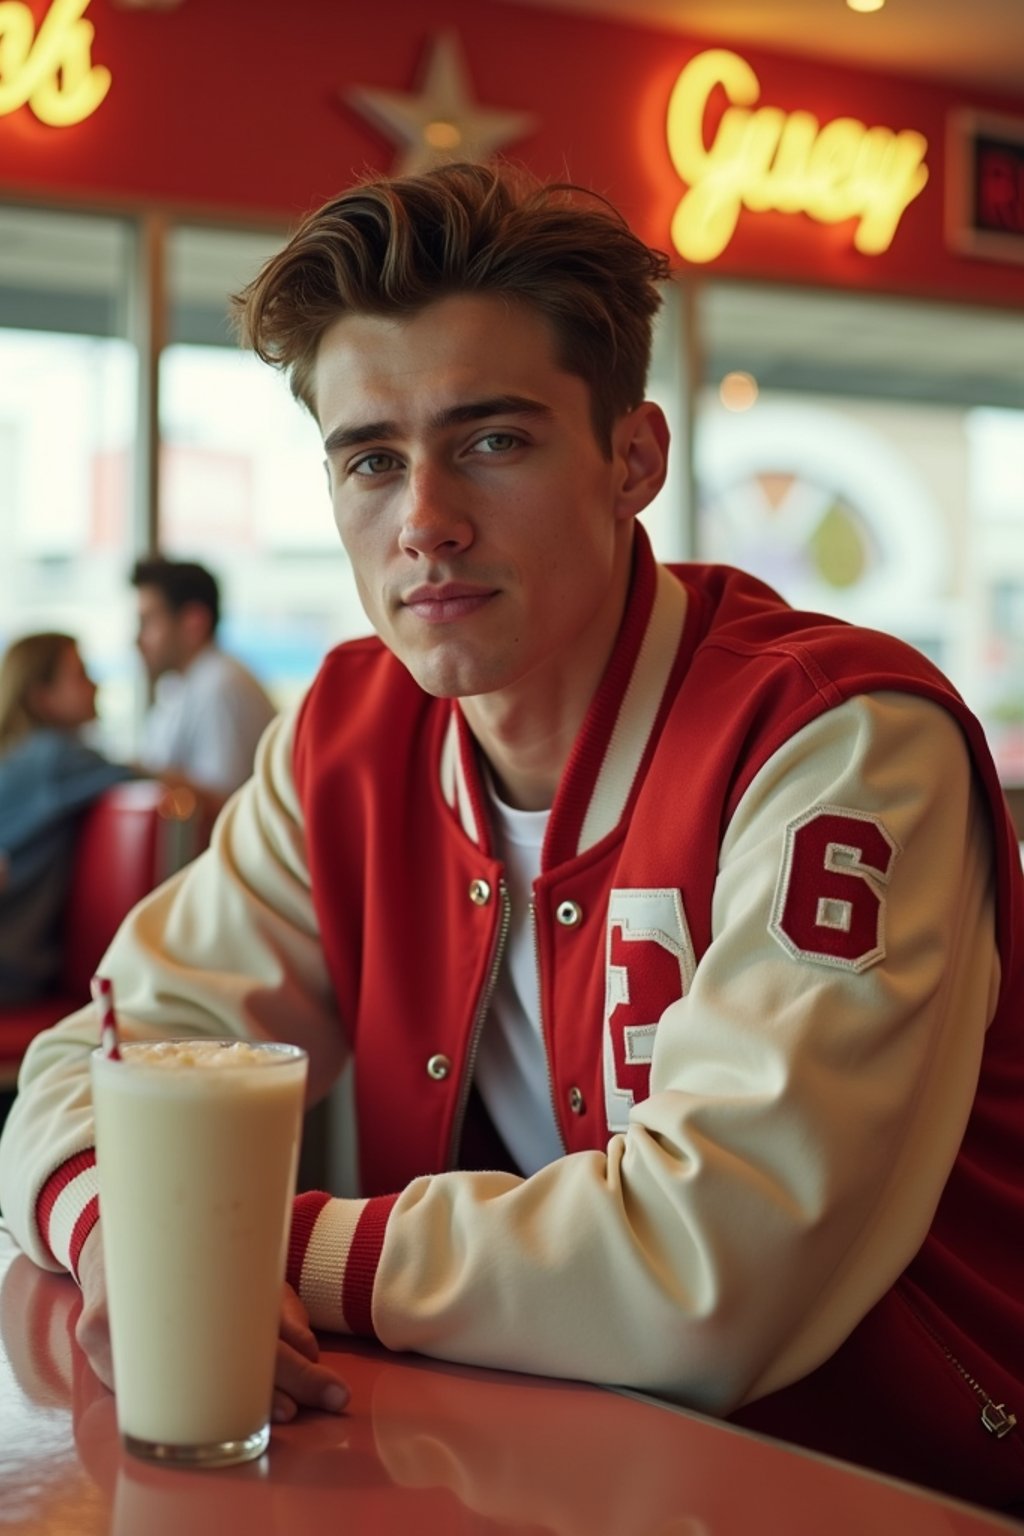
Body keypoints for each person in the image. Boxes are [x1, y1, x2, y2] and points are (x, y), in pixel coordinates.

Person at [1, 163, 1022, 1513]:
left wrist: (241, 1245)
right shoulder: (344, 738)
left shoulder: (838, 737)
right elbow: (100, 1059)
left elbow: (711, 1276)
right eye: (370, 458)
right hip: (529, 1467)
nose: (422, 518)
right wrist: (125, 1233)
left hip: (892, 1481)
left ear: (633, 459)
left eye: (493, 439)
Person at [0, 633, 136, 1004]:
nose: (95, 684)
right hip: (14, 968)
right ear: (41, 696)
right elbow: (150, 779)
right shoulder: (56, 758)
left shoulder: (18, 757)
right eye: (80, 674)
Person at [130, 557, 276, 810]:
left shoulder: (220, 684)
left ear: (194, 622)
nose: (137, 639)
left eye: (149, 622)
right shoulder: (180, 686)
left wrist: (131, 772)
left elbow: (225, 803)